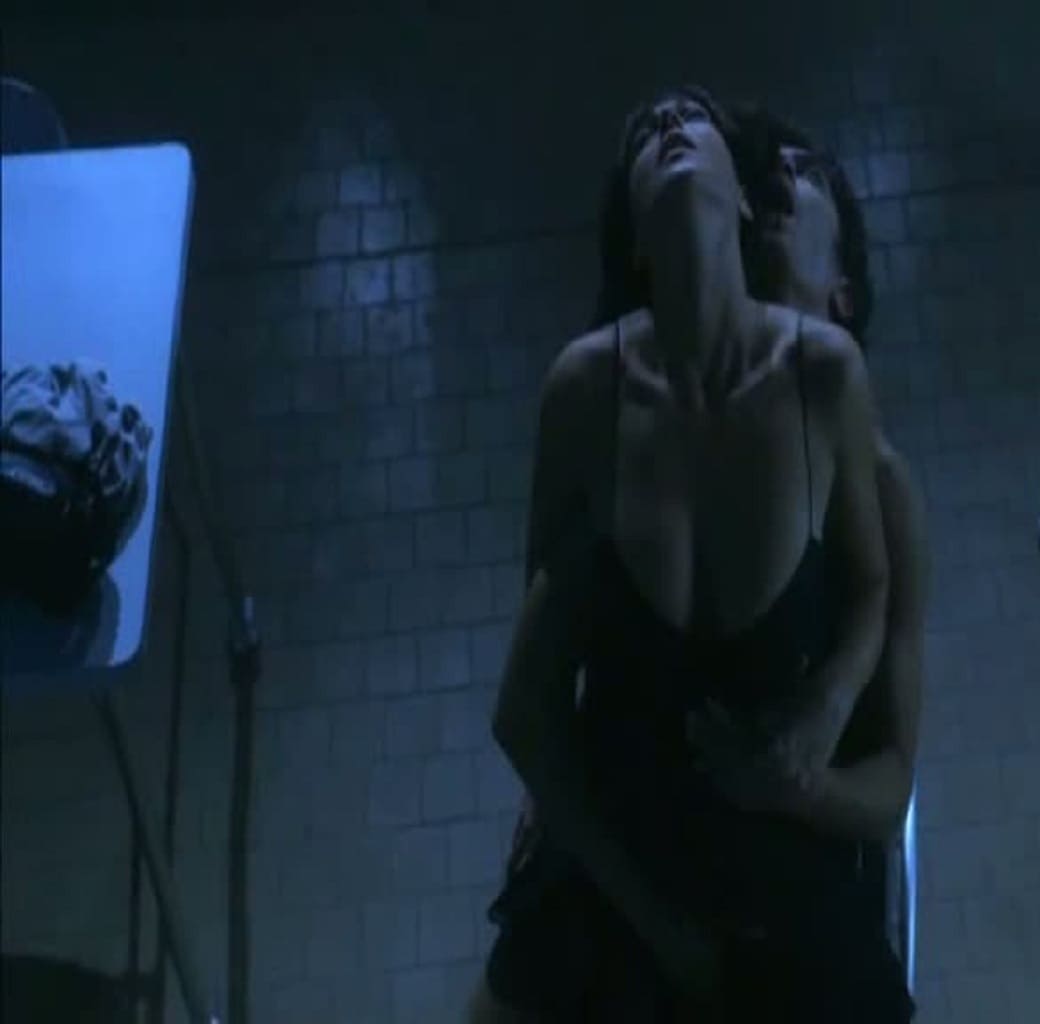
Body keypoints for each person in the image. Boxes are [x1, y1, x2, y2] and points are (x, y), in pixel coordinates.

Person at [470, 84, 908, 1021]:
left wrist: (822, 718)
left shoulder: (825, 378)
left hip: (775, 875)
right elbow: (537, 690)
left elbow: (875, 589)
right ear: (635, 239)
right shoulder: (584, 393)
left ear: (740, 199)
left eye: (691, 117)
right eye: (646, 133)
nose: (669, 124)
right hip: (621, 872)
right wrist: (647, 914)